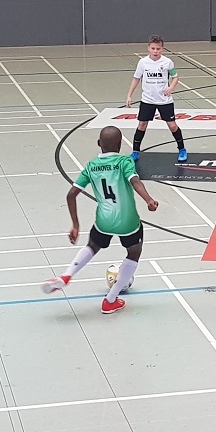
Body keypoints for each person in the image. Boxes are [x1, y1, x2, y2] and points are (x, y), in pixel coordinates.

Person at [41, 126, 159, 314]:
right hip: (127, 220)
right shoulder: (124, 162)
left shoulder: (91, 166)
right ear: (120, 145)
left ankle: (66, 275)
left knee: (92, 246)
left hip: (104, 220)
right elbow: (135, 181)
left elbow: (71, 195)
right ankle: (110, 300)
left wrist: (75, 225)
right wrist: (149, 200)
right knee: (133, 253)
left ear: (98, 143)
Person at [125, 35, 187, 163]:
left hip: (164, 100)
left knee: (172, 125)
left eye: (158, 49)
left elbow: (175, 77)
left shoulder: (167, 62)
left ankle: (182, 149)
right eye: (153, 48)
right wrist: (129, 95)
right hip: (147, 100)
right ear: (148, 48)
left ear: (162, 49)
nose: (155, 51)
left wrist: (171, 87)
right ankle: (135, 151)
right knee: (142, 125)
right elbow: (136, 78)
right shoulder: (143, 63)